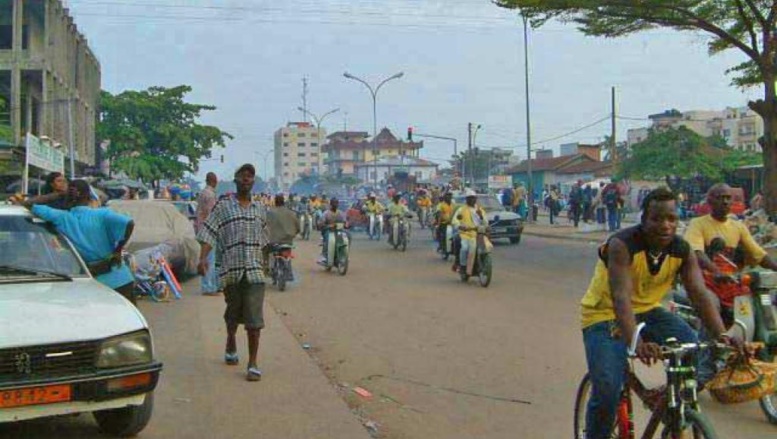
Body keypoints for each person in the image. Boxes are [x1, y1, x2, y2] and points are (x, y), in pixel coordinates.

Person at [581, 187, 738, 439]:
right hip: (604, 315)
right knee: (608, 391)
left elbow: (699, 293)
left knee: (694, 351)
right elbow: (620, 297)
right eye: (657, 218)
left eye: (672, 219)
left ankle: (670, 401)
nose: (665, 225)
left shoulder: (681, 250)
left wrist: (723, 335)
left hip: (649, 311)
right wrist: (636, 341)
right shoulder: (622, 245)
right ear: (644, 220)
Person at [197, 164, 269, 382]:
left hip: (255, 272)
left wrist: (267, 263)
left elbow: (264, 239)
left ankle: (253, 362)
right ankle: (230, 339)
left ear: (253, 182)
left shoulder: (260, 209)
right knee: (233, 312)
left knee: (254, 320)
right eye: (243, 176)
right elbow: (209, 231)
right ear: (236, 180)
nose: (247, 180)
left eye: (250, 177)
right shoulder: (223, 207)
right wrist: (202, 259)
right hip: (232, 271)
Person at [15, 179, 136, 303]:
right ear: (89, 196)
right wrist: (118, 250)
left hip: (91, 285)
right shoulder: (103, 214)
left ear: (68, 197)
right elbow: (129, 223)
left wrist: (59, 194)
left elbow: (28, 203)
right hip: (120, 280)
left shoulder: (61, 217)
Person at [684, 184, 777, 316]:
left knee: (752, 310)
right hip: (706, 282)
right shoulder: (697, 224)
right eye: (721, 198)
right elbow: (697, 252)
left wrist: (775, 267)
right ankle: (713, 336)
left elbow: (758, 254)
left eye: (728, 198)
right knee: (711, 307)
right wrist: (716, 271)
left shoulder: (738, 226)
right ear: (710, 201)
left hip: (732, 283)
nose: (725, 201)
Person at [451, 189, 487, 274]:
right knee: (464, 248)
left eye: (473, 198)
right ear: (466, 199)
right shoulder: (461, 209)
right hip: (465, 234)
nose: (472, 200)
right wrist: (460, 226)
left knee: (485, 248)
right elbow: (455, 221)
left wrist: (481, 217)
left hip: (478, 234)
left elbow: (485, 222)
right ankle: (463, 266)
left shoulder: (479, 210)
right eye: (470, 198)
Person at [196, 172, 220, 296]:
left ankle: (211, 285)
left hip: (201, 228)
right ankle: (208, 287)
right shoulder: (210, 195)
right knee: (210, 259)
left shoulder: (202, 193)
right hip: (209, 230)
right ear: (213, 181)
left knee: (207, 258)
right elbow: (211, 214)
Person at [318, 198, 347, 264]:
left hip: (339, 231)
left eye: (336, 203)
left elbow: (345, 221)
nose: (335, 205)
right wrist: (327, 225)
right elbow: (320, 223)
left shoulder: (340, 213)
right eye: (334, 203)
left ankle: (344, 254)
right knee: (328, 239)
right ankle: (324, 256)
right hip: (328, 231)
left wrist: (346, 224)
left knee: (348, 236)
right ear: (330, 204)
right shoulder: (326, 213)